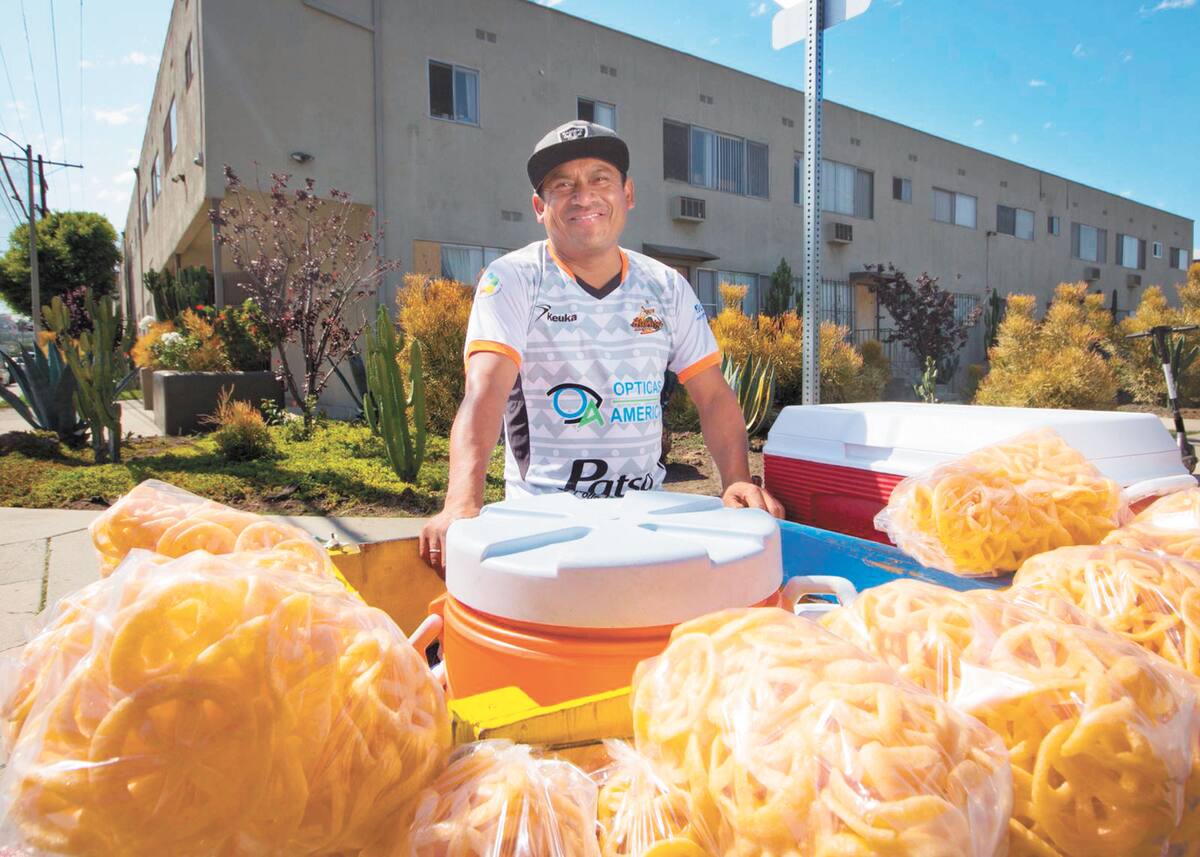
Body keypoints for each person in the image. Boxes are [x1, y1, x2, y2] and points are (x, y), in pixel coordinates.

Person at [420, 120, 783, 569]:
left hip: (647, 519)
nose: (584, 196)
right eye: (562, 185)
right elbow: (485, 392)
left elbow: (712, 395)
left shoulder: (665, 285)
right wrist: (461, 502)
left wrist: (736, 481)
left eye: (600, 179)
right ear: (540, 205)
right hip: (541, 522)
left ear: (627, 194)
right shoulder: (513, 279)